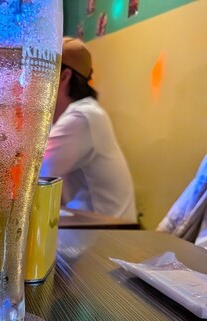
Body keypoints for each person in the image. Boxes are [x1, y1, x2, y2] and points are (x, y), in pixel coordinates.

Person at [41, 38, 137, 222]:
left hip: (107, 231)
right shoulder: (77, 116)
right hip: (90, 226)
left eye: (42, 72)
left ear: (64, 77)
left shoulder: (83, 118)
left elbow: (34, 176)